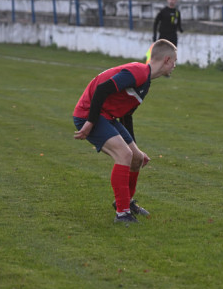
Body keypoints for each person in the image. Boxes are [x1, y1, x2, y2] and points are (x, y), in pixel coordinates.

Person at [73, 39, 178, 224]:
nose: (175, 66)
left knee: (136, 158)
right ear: (167, 60)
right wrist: (89, 123)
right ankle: (122, 214)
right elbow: (101, 89)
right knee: (124, 155)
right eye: (175, 61)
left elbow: (127, 115)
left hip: (107, 116)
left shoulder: (145, 81)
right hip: (89, 114)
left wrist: (137, 149)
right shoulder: (138, 72)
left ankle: (126, 203)